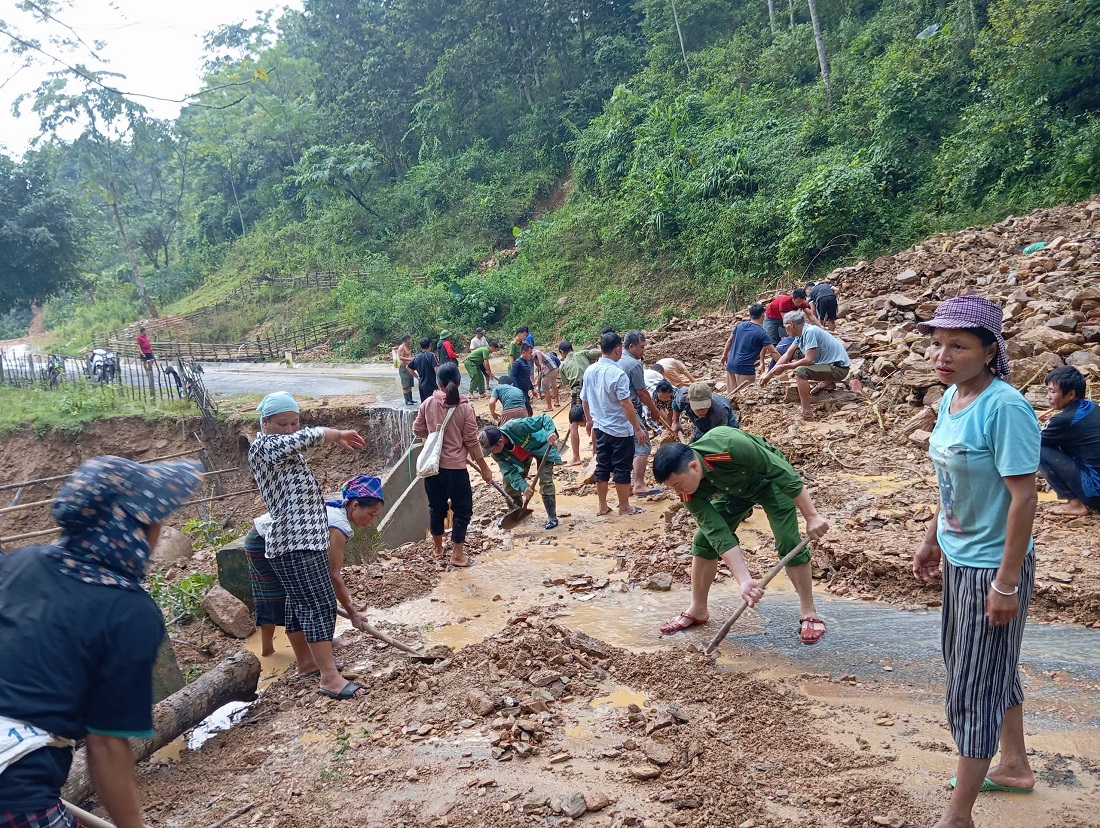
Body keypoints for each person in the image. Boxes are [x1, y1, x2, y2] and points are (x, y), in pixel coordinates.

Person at [0, 455, 202, 828]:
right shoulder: (128, 610)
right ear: (131, 528)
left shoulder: (20, 563)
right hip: (16, 783)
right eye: (154, 520)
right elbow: (106, 743)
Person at [910, 295, 1041, 828]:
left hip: (992, 568)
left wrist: (1007, 582)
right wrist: (932, 537)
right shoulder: (952, 399)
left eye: (958, 345)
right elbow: (952, 483)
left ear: (990, 351)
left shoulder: (1004, 407)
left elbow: (1025, 497)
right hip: (959, 558)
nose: (942, 355)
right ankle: (1012, 764)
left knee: (973, 684)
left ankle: (957, 816)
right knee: (990, 669)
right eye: (936, 343)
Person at [652, 430, 829, 642]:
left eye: (678, 485)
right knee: (703, 541)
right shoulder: (686, 489)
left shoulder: (729, 445)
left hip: (770, 483)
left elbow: (783, 473)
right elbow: (716, 531)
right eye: (672, 488)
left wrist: (812, 516)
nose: (677, 491)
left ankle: (808, 611)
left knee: (788, 541)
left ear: (694, 466)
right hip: (735, 491)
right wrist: (744, 581)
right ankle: (698, 609)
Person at [248, 392, 368, 700]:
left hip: (302, 541)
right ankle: (330, 677)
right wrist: (337, 434)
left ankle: (307, 662)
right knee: (319, 606)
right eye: (281, 423)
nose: (289, 429)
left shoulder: (285, 450)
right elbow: (302, 439)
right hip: (294, 543)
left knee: (299, 604)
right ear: (265, 423)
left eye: (294, 422)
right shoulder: (264, 446)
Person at [246, 475, 385, 663]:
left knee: (293, 594)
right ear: (355, 505)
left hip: (276, 539)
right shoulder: (338, 525)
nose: (371, 521)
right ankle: (269, 650)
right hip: (262, 539)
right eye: (371, 514)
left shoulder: (337, 511)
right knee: (275, 595)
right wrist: (352, 613)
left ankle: (316, 644)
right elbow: (333, 576)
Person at [413, 362, 494, 568]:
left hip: (432, 468)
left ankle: (438, 549)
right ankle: (457, 555)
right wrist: (484, 467)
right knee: (462, 510)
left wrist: (435, 438)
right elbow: (471, 442)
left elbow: (417, 430)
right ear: (459, 382)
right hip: (456, 469)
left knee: (436, 508)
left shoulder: (427, 404)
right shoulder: (465, 408)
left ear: (438, 383)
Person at [580, 331, 648, 517]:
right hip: (620, 429)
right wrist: (637, 428)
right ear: (618, 350)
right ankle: (624, 506)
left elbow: (584, 399)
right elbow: (626, 404)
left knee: (602, 466)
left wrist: (589, 420)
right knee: (622, 467)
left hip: (600, 428)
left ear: (600, 348)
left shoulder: (590, 370)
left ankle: (602, 507)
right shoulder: (617, 374)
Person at [761, 311, 851, 421]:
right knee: (795, 355)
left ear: (791, 325)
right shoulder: (801, 334)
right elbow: (787, 354)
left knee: (800, 372)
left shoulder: (810, 332)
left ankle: (806, 411)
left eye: (786, 327)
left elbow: (808, 360)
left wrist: (785, 367)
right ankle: (827, 382)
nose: (785, 330)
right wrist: (769, 375)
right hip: (829, 364)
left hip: (838, 369)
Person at [480, 416, 563, 529]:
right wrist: (524, 487)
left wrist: (550, 433)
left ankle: (552, 517)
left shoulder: (516, 426)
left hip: (542, 446)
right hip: (521, 457)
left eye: (491, 450)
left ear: (500, 442)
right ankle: (517, 514)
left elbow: (544, 418)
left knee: (545, 480)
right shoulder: (497, 454)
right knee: (509, 485)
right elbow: (509, 472)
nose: (491, 453)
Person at [1039, 365, 1100, 516]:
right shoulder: (1092, 407)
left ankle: (1075, 504)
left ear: (1071, 394)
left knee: (1038, 449)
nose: (1048, 396)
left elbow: (1031, 441)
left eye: (1052, 391)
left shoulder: (1064, 420)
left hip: (1095, 493)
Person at [619, 331, 665, 496]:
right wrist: (654, 410)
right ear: (631, 346)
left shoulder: (616, 360)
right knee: (643, 443)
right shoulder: (633, 364)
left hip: (614, 411)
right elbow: (642, 392)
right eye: (641, 347)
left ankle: (625, 485)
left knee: (625, 447)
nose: (643, 351)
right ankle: (638, 483)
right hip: (630, 408)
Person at [559, 340, 602, 466]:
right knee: (595, 421)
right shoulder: (583, 354)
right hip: (592, 390)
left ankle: (576, 457)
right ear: (572, 348)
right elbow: (600, 353)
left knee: (573, 424)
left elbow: (566, 383)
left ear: (562, 352)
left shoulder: (563, 365)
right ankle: (596, 456)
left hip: (577, 392)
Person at [722, 304, 779, 391]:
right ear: (763, 315)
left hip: (731, 365)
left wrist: (724, 355)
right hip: (744, 368)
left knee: (731, 397)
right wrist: (784, 365)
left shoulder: (740, 326)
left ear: (750, 315)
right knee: (744, 398)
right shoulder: (762, 333)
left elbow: (729, 341)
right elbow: (773, 352)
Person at [671, 382, 739, 442]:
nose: (701, 412)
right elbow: (675, 404)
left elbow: (717, 436)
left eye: (704, 408)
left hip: (725, 427)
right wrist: (676, 421)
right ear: (688, 400)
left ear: (710, 399)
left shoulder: (719, 412)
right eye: (697, 408)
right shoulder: (682, 398)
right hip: (701, 424)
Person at [409, 338, 439, 403]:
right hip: (431, 386)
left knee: (424, 405)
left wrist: (417, 377)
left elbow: (408, 367)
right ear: (430, 345)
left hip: (421, 386)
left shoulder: (417, 357)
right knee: (433, 406)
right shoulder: (431, 355)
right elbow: (437, 370)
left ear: (420, 346)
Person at [532, 346, 562, 411]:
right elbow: (541, 371)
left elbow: (538, 352)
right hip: (554, 369)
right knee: (553, 384)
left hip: (549, 370)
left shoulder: (533, 351)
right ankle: (557, 402)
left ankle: (549, 407)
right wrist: (538, 381)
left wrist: (540, 363)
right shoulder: (543, 356)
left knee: (544, 388)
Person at [510, 341, 535, 414]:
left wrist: (532, 388)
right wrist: (517, 389)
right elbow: (512, 375)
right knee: (528, 411)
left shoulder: (526, 362)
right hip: (520, 392)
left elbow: (527, 377)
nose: (531, 355)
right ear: (523, 352)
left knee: (528, 411)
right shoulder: (517, 363)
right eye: (530, 353)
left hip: (525, 391)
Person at [396, 334, 415, 406]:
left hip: (409, 367)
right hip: (404, 368)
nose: (411, 340)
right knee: (405, 385)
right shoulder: (401, 347)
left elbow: (408, 356)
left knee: (410, 384)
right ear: (407, 340)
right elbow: (400, 357)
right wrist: (410, 359)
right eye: (410, 339)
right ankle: (407, 400)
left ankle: (410, 399)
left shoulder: (407, 347)